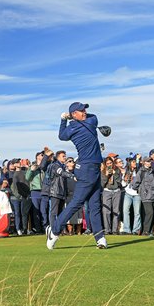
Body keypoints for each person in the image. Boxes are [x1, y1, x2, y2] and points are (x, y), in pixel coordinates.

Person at [47, 102, 106, 250]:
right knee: (76, 203)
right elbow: (61, 137)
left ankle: (100, 238)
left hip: (95, 168)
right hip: (86, 168)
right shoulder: (76, 126)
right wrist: (67, 120)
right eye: (81, 110)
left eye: (84, 109)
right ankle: (54, 230)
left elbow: (62, 134)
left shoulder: (88, 122)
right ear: (74, 113)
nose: (85, 112)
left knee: (95, 205)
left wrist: (64, 119)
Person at [46, 150, 76, 232]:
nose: (65, 158)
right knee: (53, 212)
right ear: (58, 157)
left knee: (61, 213)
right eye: (63, 156)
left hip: (62, 192)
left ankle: (60, 229)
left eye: (65, 156)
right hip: (55, 191)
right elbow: (61, 173)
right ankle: (53, 229)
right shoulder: (55, 165)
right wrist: (71, 176)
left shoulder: (62, 166)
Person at [133, 156, 154, 235]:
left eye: (150, 161)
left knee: (153, 213)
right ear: (144, 162)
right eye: (148, 161)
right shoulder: (141, 172)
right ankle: (146, 231)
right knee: (150, 213)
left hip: (153, 195)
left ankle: (149, 231)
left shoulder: (153, 171)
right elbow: (135, 184)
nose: (149, 163)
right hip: (145, 196)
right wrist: (141, 190)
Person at [101, 155, 122, 234]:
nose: (109, 165)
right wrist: (106, 175)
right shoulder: (103, 171)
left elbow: (120, 182)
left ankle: (114, 230)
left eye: (110, 163)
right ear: (105, 164)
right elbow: (102, 184)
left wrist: (115, 174)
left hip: (116, 191)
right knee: (106, 211)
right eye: (107, 163)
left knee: (116, 211)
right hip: (107, 191)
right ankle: (107, 230)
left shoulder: (117, 170)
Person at [122, 157, 142, 235]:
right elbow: (123, 184)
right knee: (126, 211)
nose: (134, 163)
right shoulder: (126, 171)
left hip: (137, 194)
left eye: (135, 162)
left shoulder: (139, 171)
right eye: (133, 162)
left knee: (137, 212)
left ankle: (136, 230)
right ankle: (127, 230)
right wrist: (125, 180)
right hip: (128, 193)